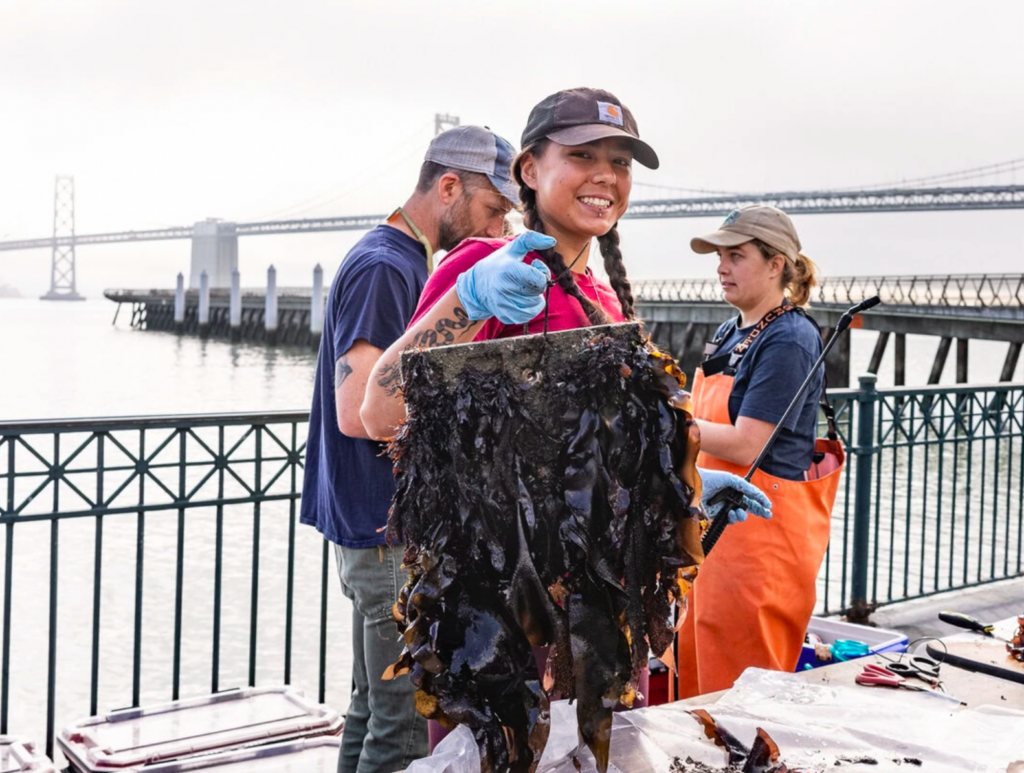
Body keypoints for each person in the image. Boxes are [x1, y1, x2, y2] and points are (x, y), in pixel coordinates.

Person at [359, 88, 771, 710]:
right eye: (582, 155)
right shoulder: (484, 265)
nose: (606, 175)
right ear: (530, 169)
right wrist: (469, 300)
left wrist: (678, 486)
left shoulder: (605, 302)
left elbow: (601, 459)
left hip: (598, 609)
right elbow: (381, 413)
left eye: (620, 162)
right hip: (494, 614)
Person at [300, 124, 520, 773]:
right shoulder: (387, 266)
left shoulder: (390, 257)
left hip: (368, 528)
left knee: (369, 710)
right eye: (493, 209)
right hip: (386, 534)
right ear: (448, 187)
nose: (499, 230)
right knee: (400, 732)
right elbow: (356, 411)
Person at [675, 205, 846, 698]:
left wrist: (669, 425)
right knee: (695, 671)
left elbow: (749, 442)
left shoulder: (789, 339)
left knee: (743, 691)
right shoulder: (730, 331)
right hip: (710, 526)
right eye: (719, 257)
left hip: (759, 539)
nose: (721, 267)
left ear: (776, 265)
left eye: (736, 256)